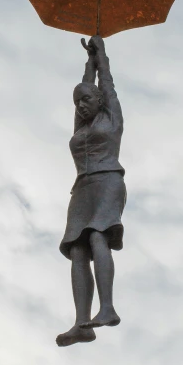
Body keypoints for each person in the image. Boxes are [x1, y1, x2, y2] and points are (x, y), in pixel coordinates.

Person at [56, 35, 126, 347]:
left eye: (86, 100)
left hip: (108, 179)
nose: (81, 105)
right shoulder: (80, 126)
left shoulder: (110, 116)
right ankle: (82, 323)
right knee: (77, 249)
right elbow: (86, 86)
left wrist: (101, 56)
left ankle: (108, 307)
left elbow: (104, 85)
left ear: (99, 101)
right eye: (77, 102)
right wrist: (87, 63)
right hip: (81, 188)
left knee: (98, 236)